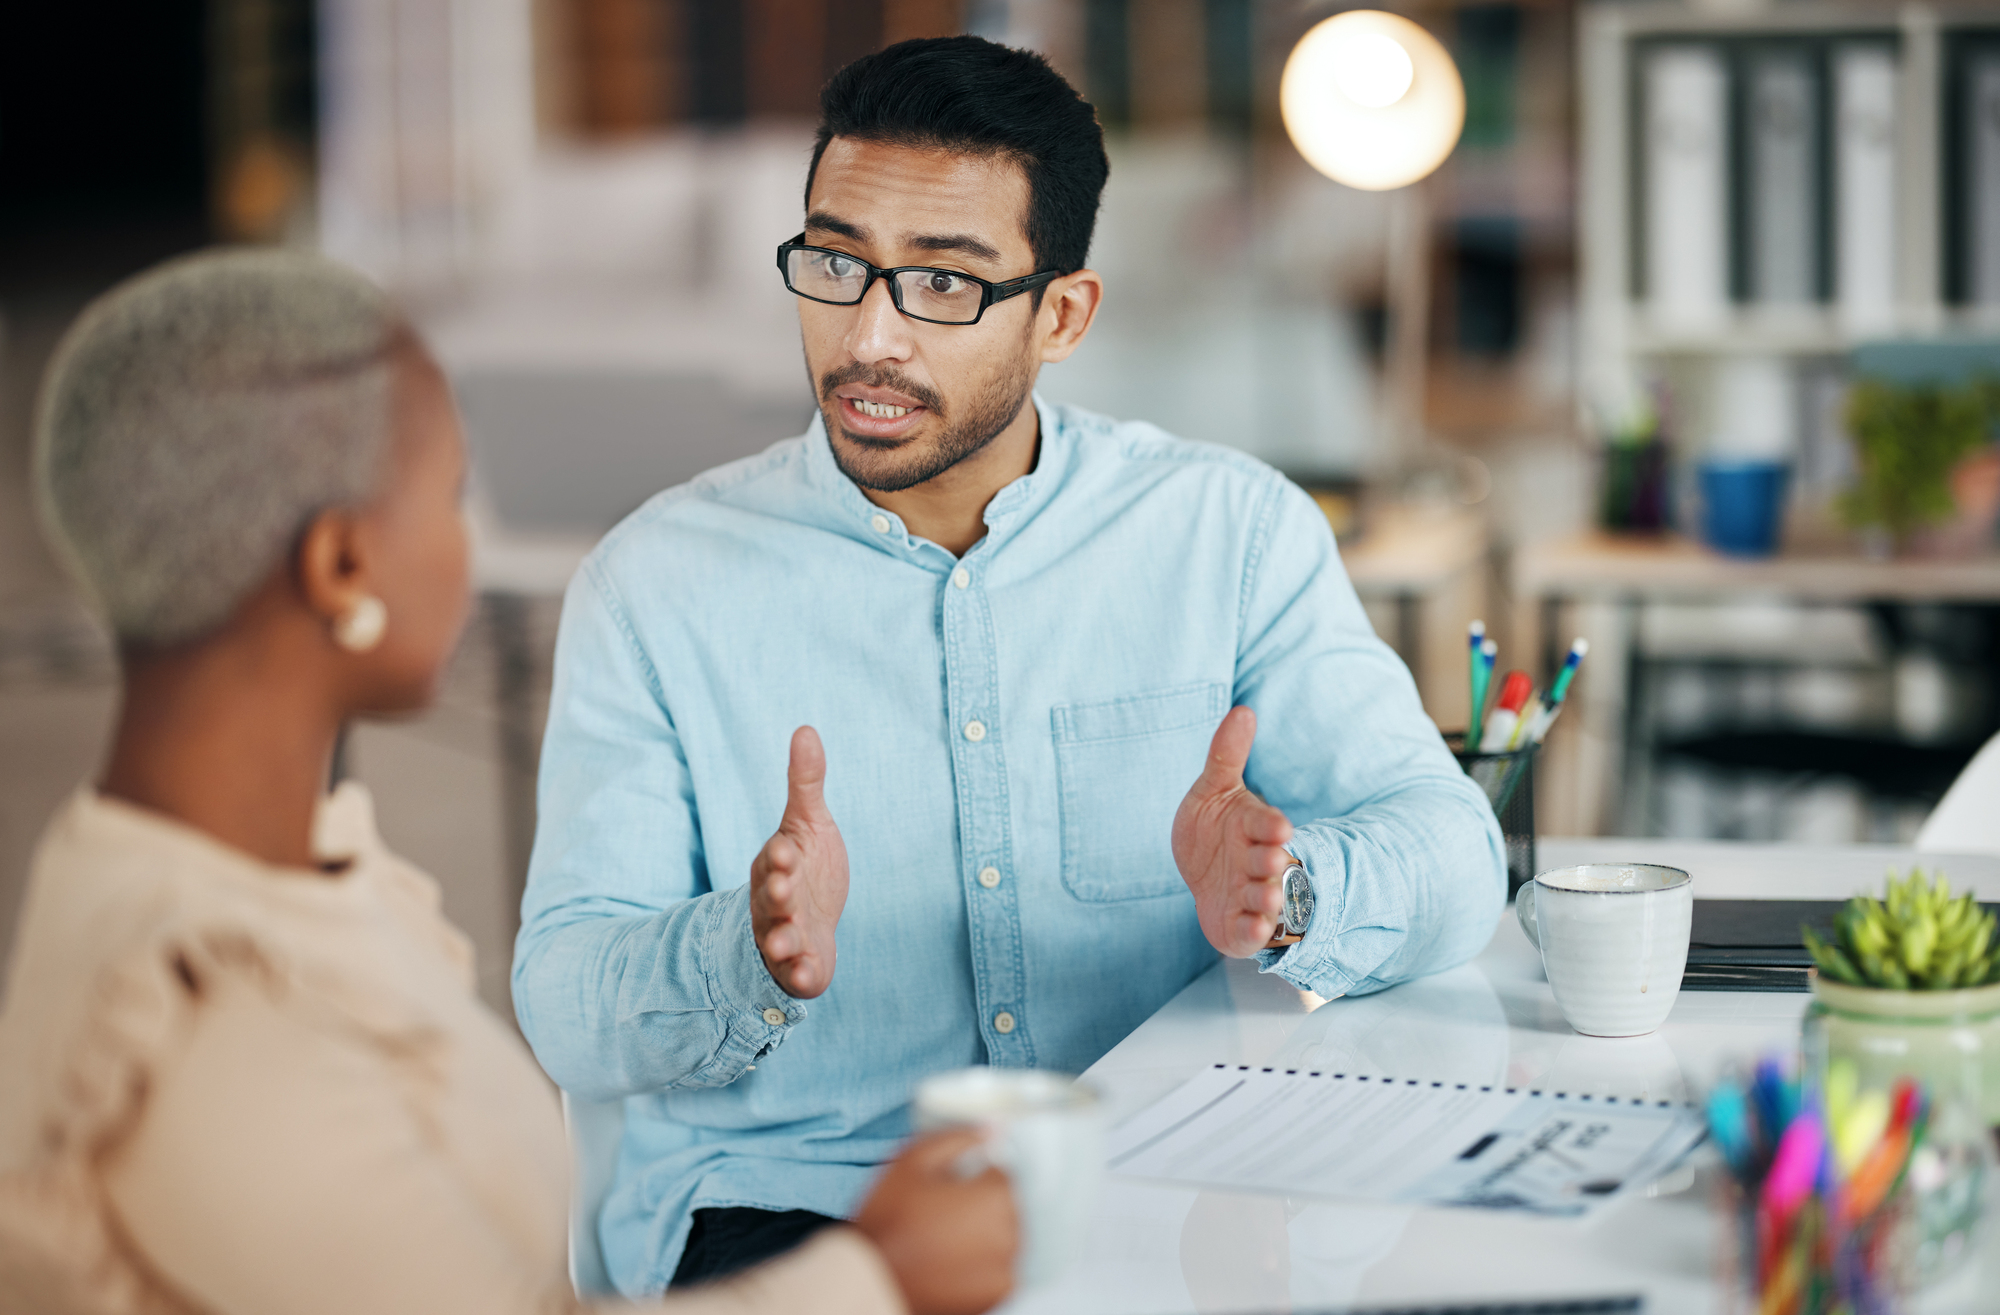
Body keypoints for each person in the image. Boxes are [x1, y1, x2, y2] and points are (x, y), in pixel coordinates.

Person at [514, 34, 1507, 1298]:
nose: (869, 335)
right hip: (807, 1210)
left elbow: (1456, 856)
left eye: (942, 284)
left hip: (1153, 1190)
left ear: (1062, 316)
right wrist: (739, 950)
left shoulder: (1228, 535)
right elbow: (560, 994)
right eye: (835, 264)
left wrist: (1288, 893)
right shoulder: (654, 584)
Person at [0, 249, 1016, 1315]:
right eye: (446, 496)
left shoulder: (231, 864)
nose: (467, 544)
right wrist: (883, 1276)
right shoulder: (214, 1038)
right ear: (342, 566)